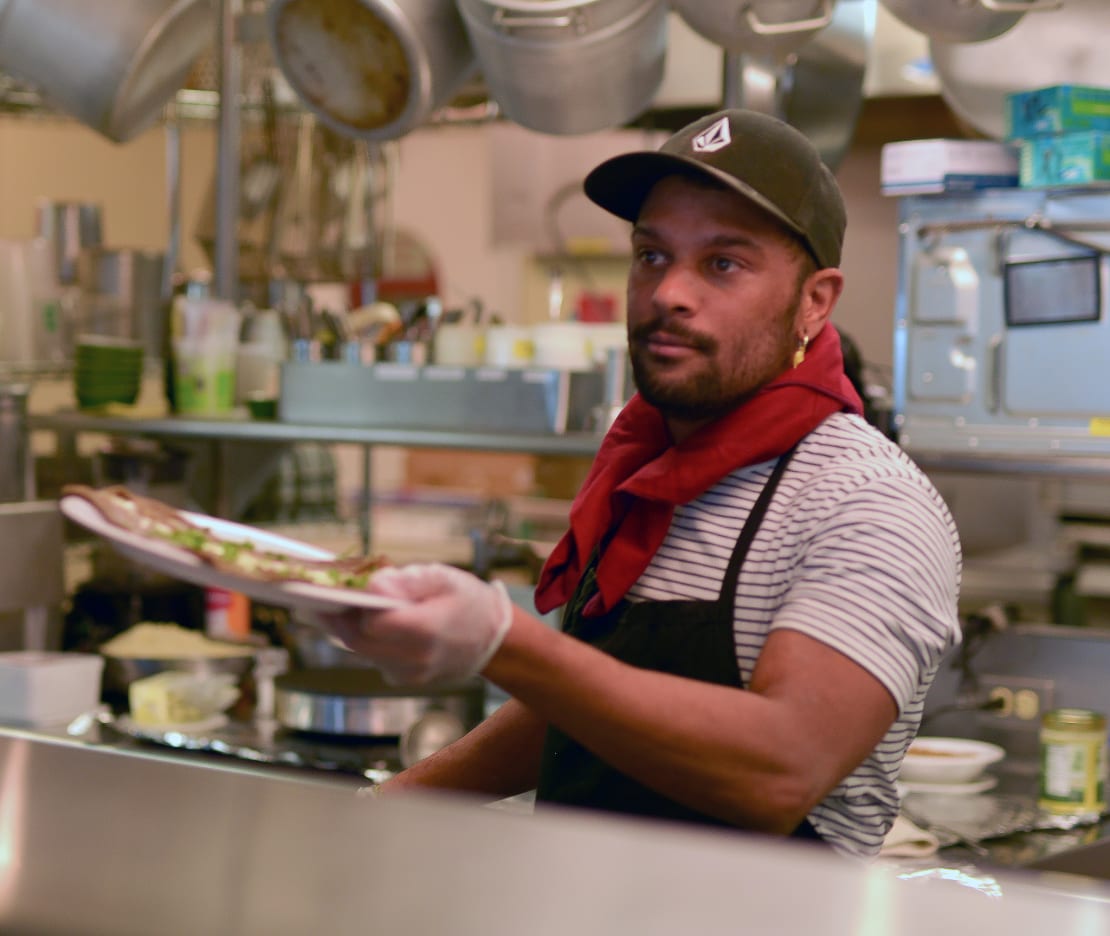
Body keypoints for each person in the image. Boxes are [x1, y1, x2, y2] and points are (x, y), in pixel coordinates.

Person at [316, 108, 962, 859]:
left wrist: (503, 640)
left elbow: (782, 770)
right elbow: (589, 708)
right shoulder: (645, 468)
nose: (669, 294)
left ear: (815, 302)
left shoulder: (865, 501)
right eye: (652, 256)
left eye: (723, 263)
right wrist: (376, 812)